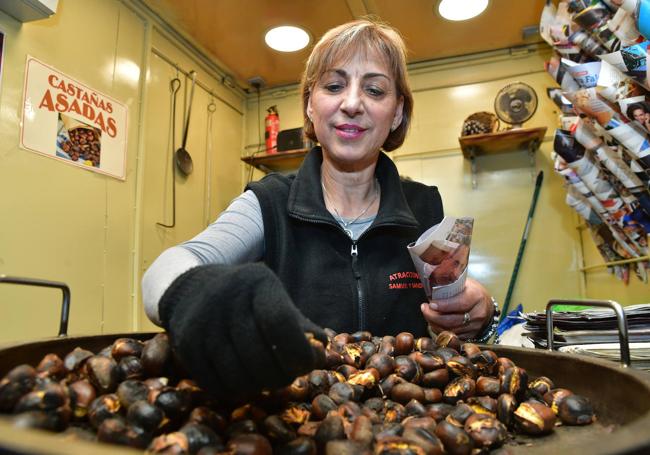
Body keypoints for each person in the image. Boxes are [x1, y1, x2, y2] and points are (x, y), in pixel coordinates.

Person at [142, 19, 498, 401]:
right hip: (301, 421)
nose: (351, 104)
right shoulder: (269, 202)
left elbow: (453, 322)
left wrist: (481, 311)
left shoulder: (425, 207)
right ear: (311, 105)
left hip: (404, 426)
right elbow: (167, 268)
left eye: (375, 90)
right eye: (333, 86)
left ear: (396, 113)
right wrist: (197, 295)